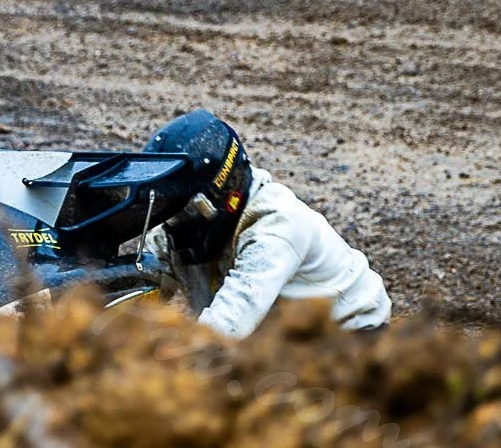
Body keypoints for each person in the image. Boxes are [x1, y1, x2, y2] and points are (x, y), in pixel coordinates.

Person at [142, 109, 390, 338]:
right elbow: (144, 288)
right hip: (283, 336)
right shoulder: (178, 228)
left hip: (351, 335)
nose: (175, 221)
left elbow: (226, 326)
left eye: (186, 210)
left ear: (225, 192)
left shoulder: (276, 225)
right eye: (171, 210)